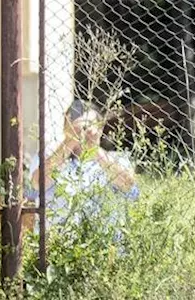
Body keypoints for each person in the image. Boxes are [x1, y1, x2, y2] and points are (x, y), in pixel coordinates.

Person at [24, 99, 139, 236]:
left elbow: (128, 186)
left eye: (88, 126)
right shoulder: (45, 158)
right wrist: (69, 142)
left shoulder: (117, 159)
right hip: (56, 245)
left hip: (105, 246)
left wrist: (94, 150)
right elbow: (37, 185)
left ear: (100, 128)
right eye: (73, 127)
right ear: (64, 128)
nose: (81, 133)